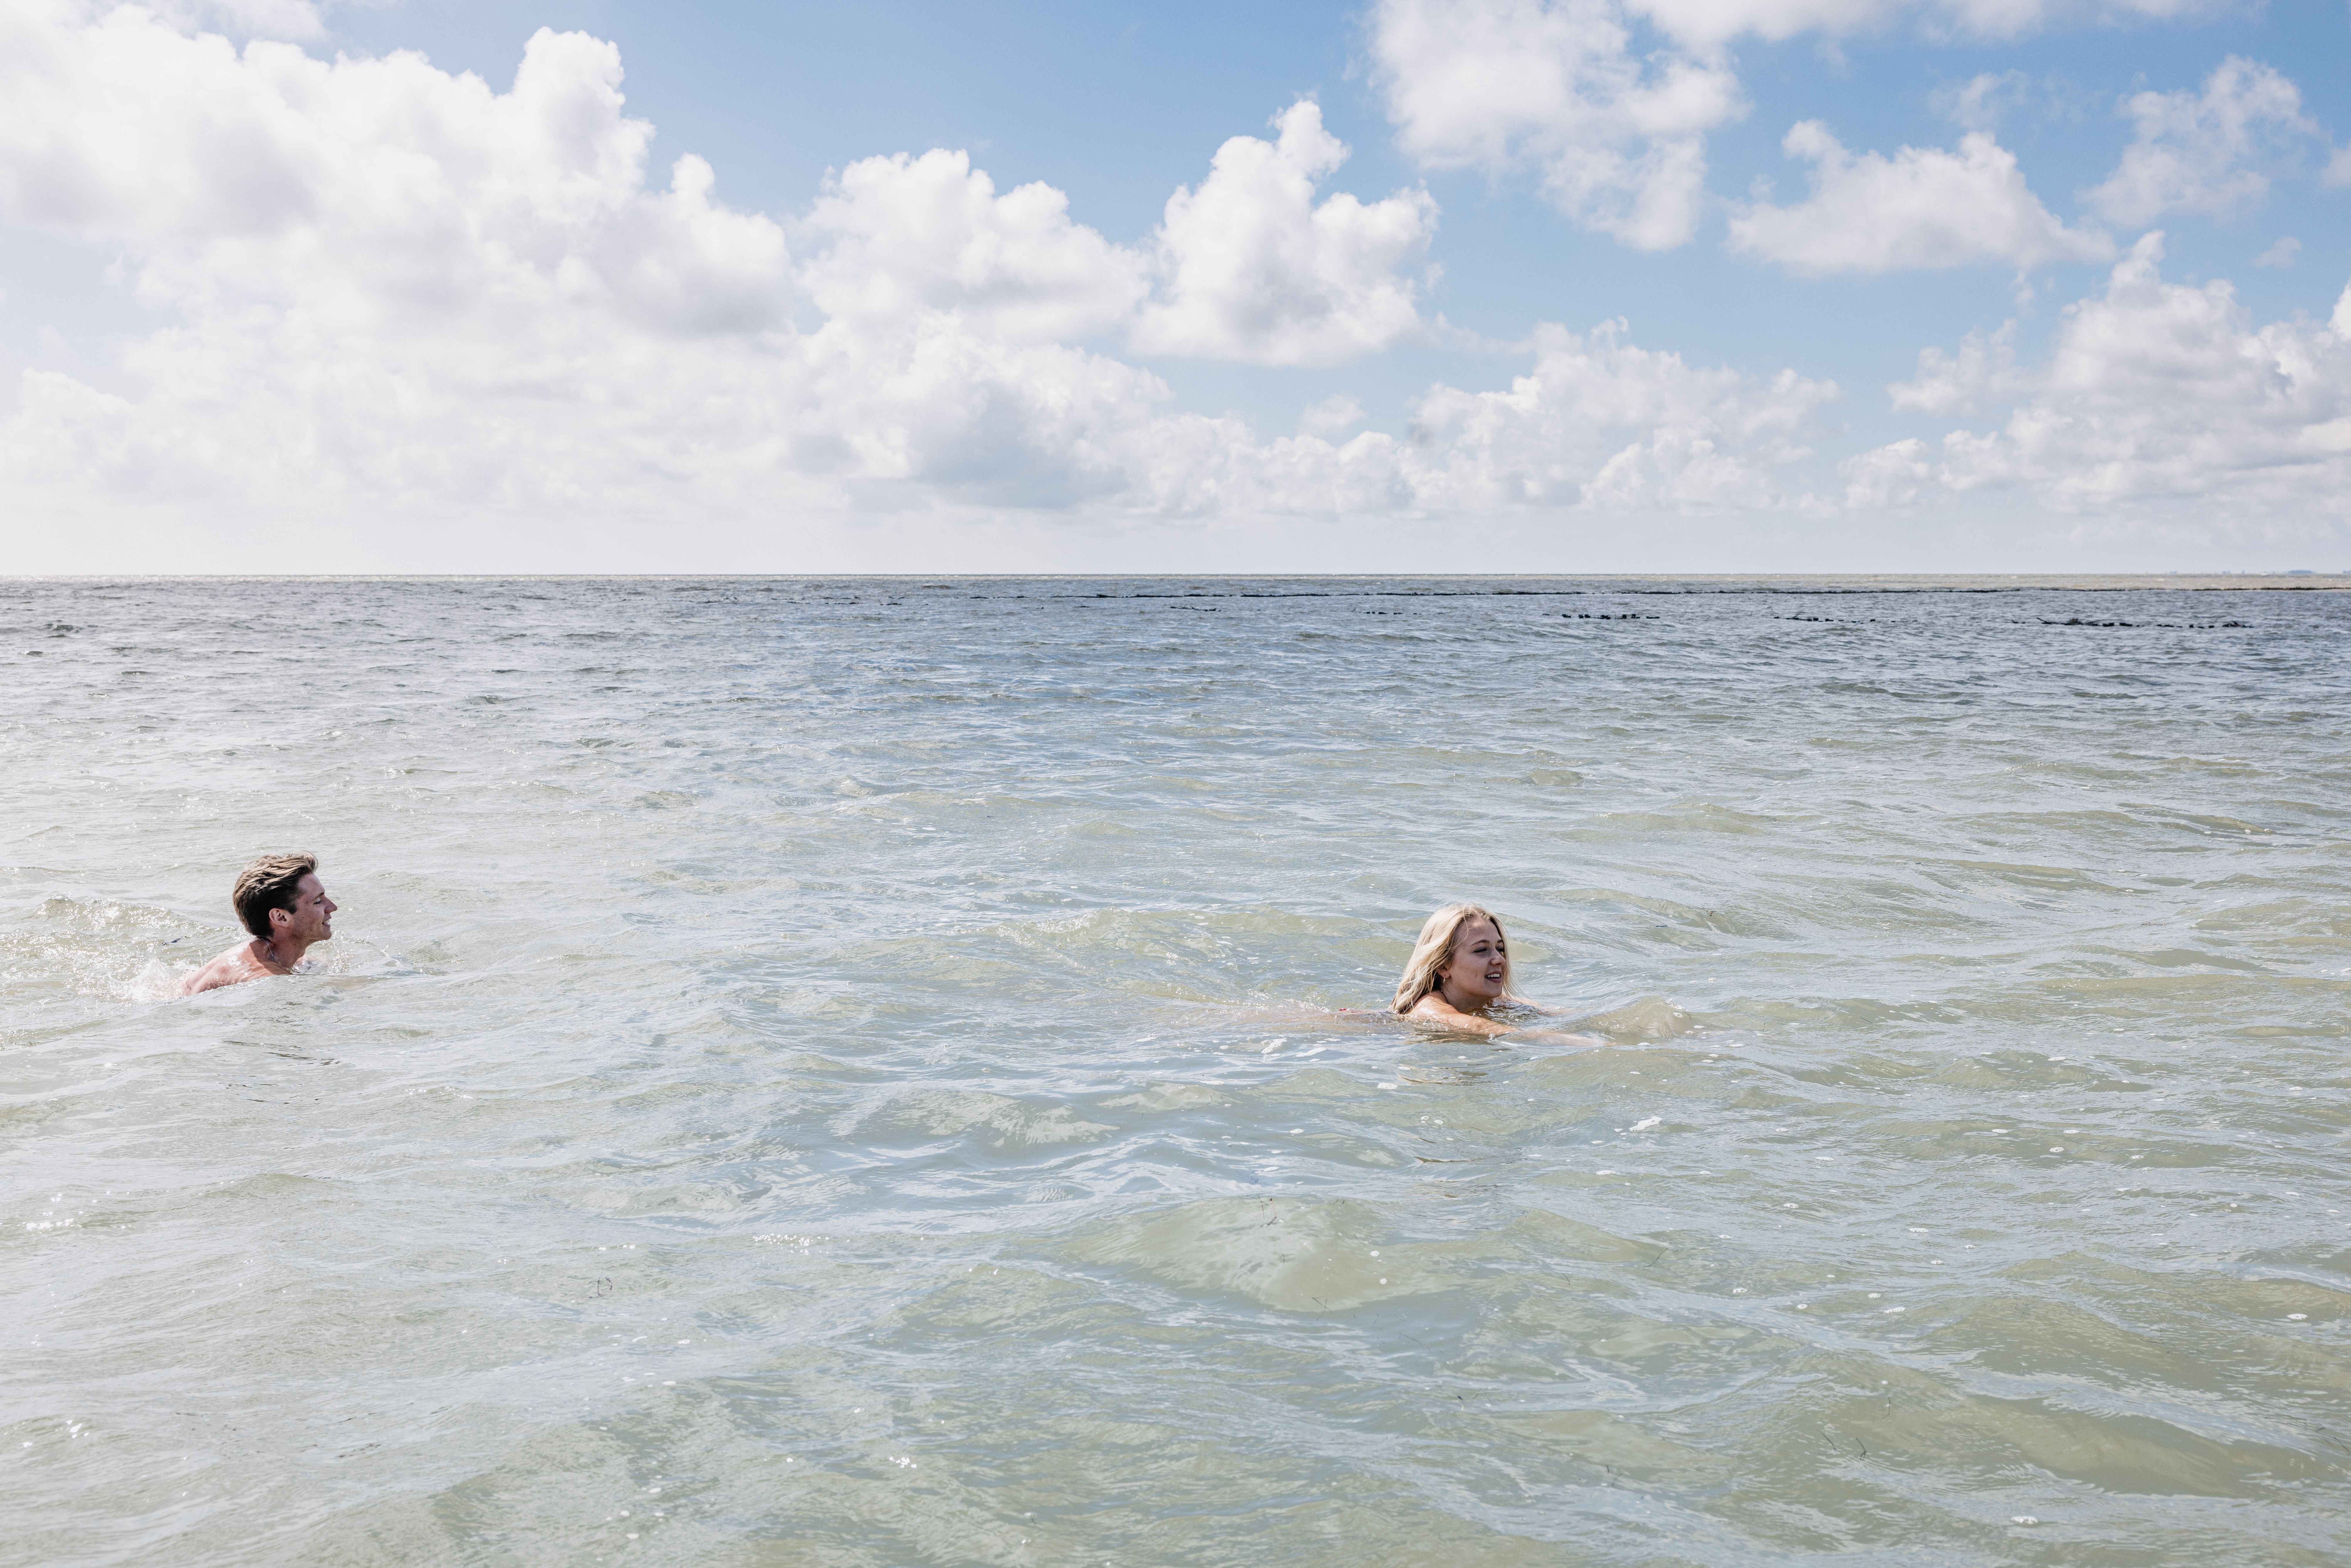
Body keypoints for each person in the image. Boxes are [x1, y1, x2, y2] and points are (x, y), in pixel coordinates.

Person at [1392, 902, 1586, 1039]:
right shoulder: (1428, 1008)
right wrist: (1571, 1043)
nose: (1500, 959)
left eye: (1500, 949)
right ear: (1443, 966)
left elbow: (1567, 1015)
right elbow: (1478, 1026)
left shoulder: (1492, 1002)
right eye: (1481, 950)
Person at [174, 853, 337, 997]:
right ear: (281, 917)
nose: (333, 907)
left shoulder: (290, 960)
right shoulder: (267, 980)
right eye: (318, 901)